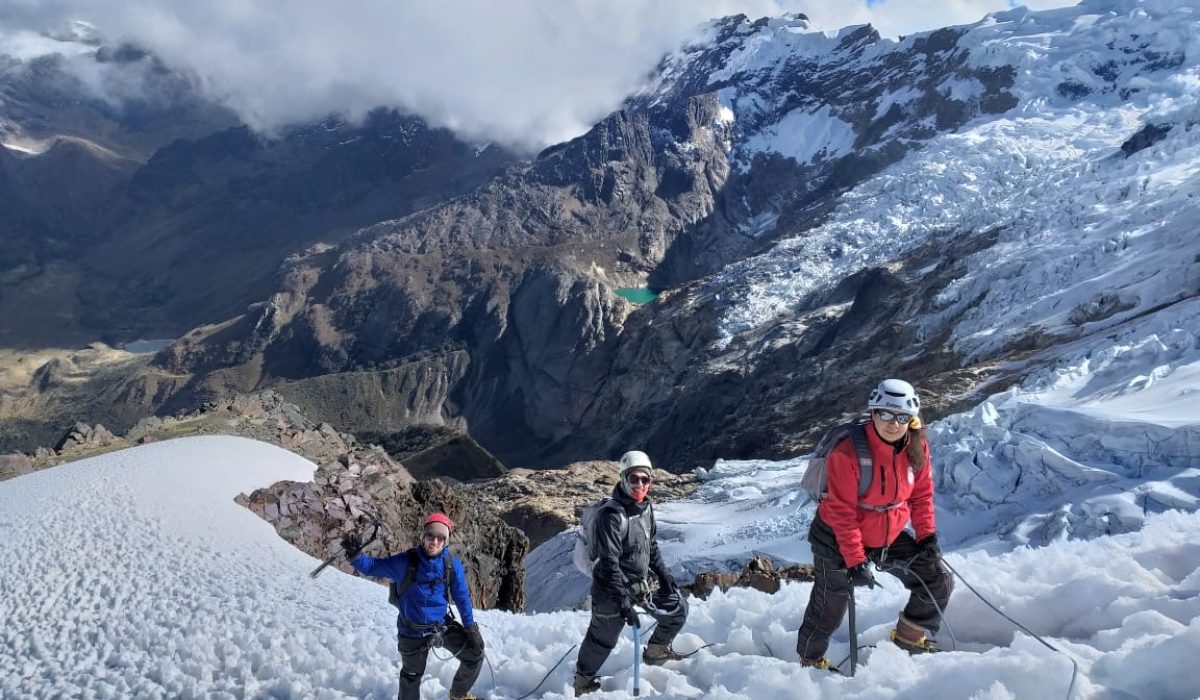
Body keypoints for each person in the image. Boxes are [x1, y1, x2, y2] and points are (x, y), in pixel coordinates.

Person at [796, 378, 953, 670]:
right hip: (835, 536)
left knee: (937, 581)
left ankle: (908, 638)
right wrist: (855, 561)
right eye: (885, 414)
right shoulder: (848, 451)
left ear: (912, 418)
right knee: (830, 605)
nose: (893, 423)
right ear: (873, 412)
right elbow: (842, 511)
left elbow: (920, 495)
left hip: (886, 535)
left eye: (902, 417)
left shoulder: (916, 447)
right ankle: (810, 661)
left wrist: (927, 537)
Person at [573, 450, 690, 696]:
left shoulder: (646, 509)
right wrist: (622, 601)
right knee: (602, 639)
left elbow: (651, 546)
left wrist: (664, 574)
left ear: (650, 482)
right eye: (634, 478)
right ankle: (583, 682)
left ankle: (656, 651)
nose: (640, 484)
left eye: (644, 479)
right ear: (624, 479)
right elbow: (608, 562)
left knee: (677, 609)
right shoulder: (612, 515)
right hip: (610, 589)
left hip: (640, 584)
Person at [343, 512, 485, 700]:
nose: (434, 541)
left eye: (441, 538)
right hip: (412, 630)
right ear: (423, 536)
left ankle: (458, 695)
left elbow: (462, 599)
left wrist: (470, 629)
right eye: (430, 536)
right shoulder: (405, 562)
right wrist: (355, 556)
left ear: (446, 541)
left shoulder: (451, 565)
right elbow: (371, 566)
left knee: (475, 655)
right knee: (411, 676)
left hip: (441, 625)